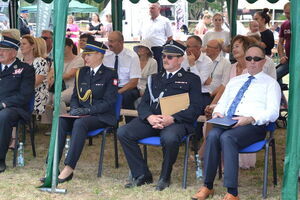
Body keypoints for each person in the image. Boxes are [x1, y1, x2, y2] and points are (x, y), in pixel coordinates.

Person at [191, 45, 281, 200]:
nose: (252, 62)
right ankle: (207, 186)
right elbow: (223, 102)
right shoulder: (235, 81)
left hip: (253, 124)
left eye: (257, 59)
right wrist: (219, 111)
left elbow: (273, 113)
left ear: (264, 61)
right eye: (249, 58)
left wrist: (251, 118)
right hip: (228, 121)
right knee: (212, 135)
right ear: (245, 60)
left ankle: (232, 192)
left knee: (227, 138)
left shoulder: (271, 84)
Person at [117, 40, 204, 191]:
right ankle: (142, 174)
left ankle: (165, 176)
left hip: (177, 122)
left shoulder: (192, 79)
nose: (165, 59)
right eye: (163, 56)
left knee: (169, 138)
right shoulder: (154, 78)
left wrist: (173, 118)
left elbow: (196, 107)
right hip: (153, 120)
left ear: (180, 59)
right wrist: (150, 117)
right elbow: (143, 104)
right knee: (123, 132)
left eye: (170, 57)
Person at [56, 40, 118, 183]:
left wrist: (87, 110)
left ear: (99, 55)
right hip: (82, 114)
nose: (85, 58)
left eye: (89, 55)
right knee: (61, 121)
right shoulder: (81, 72)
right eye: (85, 54)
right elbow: (74, 97)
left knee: (80, 123)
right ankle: (52, 165)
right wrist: (75, 108)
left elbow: (109, 102)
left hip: (101, 116)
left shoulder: (110, 74)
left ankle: (69, 167)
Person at [0, 35, 35, 173]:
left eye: (4, 50)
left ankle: (0, 159)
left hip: (15, 108)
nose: (0, 52)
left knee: (3, 116)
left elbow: (25, 95)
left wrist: (4, 104)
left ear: (14, 53)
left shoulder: (25, 69)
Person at [103, 31, 141, 123]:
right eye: (108, 41)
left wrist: (118, 92)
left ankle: (130, 124)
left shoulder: (132, 57)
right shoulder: (106, 56)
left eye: (111, 41)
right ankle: (107, 124)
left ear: (120, 42)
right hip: (111, 87)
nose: (109, 44)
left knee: (126, 96)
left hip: (127, 87)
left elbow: (134, 82)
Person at [48, 38, 84, 112]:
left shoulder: (79, 60)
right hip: (57, 87)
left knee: (57, 97)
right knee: (46, 96)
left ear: (71, 47)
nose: (60, 49)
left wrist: (55, 78)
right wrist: (48, 80)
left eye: (63, 46)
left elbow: (70, 75)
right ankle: (47, 122)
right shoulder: (57, 60)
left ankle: (62, 120)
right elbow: (51, 72)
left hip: (73, 88)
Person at [139, 3, 173, 72]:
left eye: (153, 8)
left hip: (158, 50)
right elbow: (141, 35)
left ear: (159, 9)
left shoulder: (165, 21)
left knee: (157, 70)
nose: (150, 10)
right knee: (145, 69)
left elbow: (170, 38)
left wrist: (164, 50)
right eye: (150, 8)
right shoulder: (144, 20)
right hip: (145, 49)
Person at [20, 35, 49, 116]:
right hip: (20, 94)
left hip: (36, 96)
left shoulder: (40, 62)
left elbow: (35, 82)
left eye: (24, 44)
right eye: (20, 44)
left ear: (32, 46)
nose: (21, 46)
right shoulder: (19, 62)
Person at [277, 2, 291, 82]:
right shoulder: (284, 24)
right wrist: (282, 56)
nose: (286, 15)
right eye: (285, 13)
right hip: (288, 59)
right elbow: (280, 42)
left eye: (288, 13)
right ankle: (280, 94)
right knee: (274, 75)